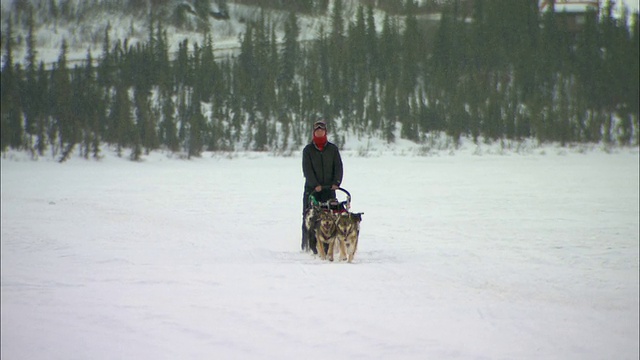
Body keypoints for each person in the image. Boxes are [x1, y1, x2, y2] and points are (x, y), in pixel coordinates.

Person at [301, 120, 344, 252]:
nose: (319, 132)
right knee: (310, 215)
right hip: (312, 189)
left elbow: (338, 166)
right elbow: (307, 169)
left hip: (329, 189)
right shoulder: (308, 150)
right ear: (314, 133)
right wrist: (315, 185)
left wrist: (336, 182)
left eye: (322, 130)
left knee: (330, 215)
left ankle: (329, 245)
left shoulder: (332, 149)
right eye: (317, 131)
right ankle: (309, 245)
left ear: (325, 132)